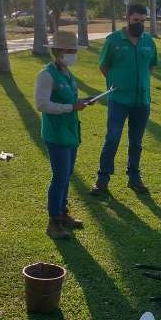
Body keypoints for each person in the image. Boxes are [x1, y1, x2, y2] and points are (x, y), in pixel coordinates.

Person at [90, 3, 158, 195]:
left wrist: (141, 82)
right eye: (136, 20)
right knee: (112, 138)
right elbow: (104, 66)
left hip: (142, 101)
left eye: (143, 21)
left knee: (136, 141)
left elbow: (152, 65)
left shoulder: (148, 42)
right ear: (127, 18)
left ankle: (134, 177)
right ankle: (102, 179)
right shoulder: (113, 40)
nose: (140, 24)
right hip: (118, 99)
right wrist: (118, 83)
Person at [35, 30, 92, 239]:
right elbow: (42, 104)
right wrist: (70, 107)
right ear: (57, 51)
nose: (73, 54)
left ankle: (62, 213)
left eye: (75, 50)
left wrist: (84, 101)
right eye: (69, 50)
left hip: (70, 132)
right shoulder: (46, 74)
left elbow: (71, 99)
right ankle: (53, 222)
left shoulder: (68, 72)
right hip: (56, 134)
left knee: (66, 175)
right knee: (59, 177)